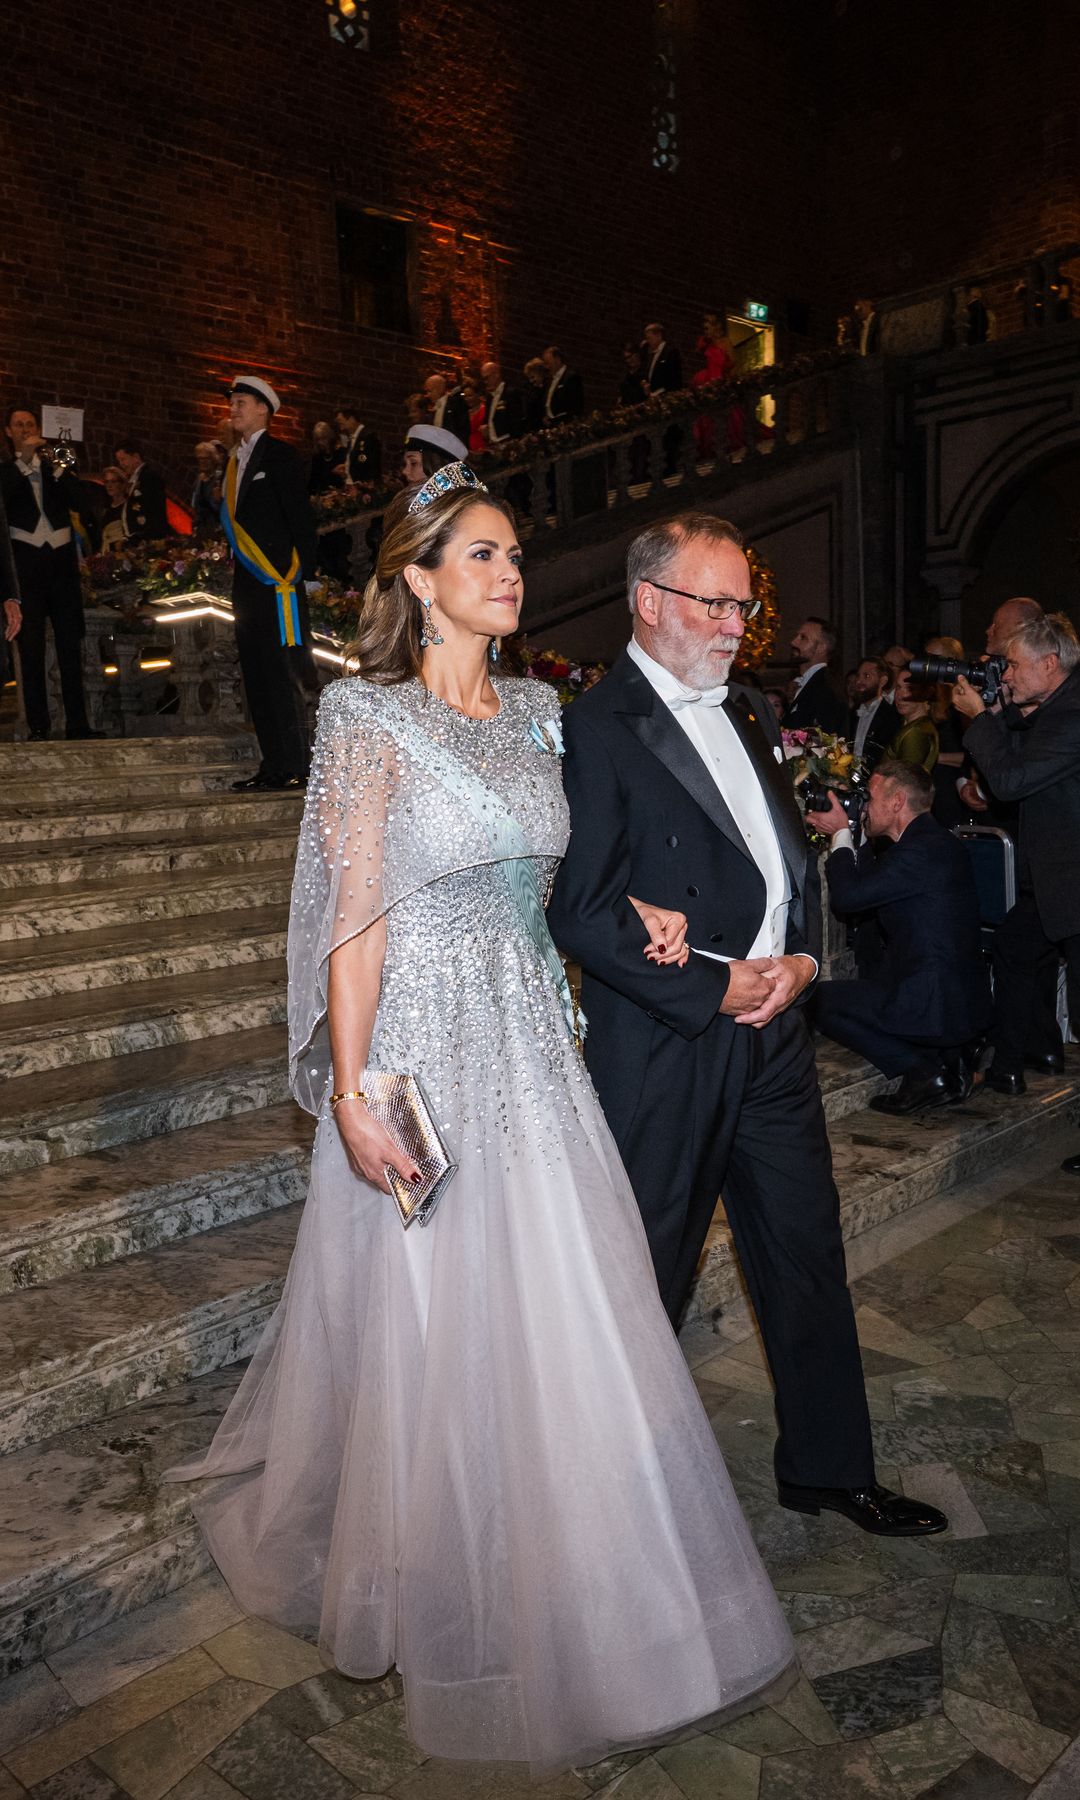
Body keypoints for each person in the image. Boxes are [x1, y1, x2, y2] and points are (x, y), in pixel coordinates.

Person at [167, 466, 798, 1775]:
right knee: (431, 1322)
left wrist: (645, 920)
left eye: (516, 554)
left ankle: (574, 1569)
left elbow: (567, 887)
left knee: (557, 1307)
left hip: (532, 1046)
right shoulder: (362, 716)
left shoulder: (535, 710)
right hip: (418, 1055)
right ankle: (438, 1575)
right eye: (483, 556)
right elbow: (354, 923)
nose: (511, 574)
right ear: (417, 578)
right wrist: (348, 1091)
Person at [546, 511, 946, 1540]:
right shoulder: (599, 724)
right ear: (650, 601)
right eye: (715, 602)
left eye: (743, 603)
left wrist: (806, 962)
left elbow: (790, 862)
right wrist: (711, 990)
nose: (736, 623)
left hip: (774, 1038)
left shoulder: (755, 712)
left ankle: (828, 1466)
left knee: (806, 1254)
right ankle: (604, 1510)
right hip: (672, 1045)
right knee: (646, 1279)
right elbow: (580, 908)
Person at [953, 613, 1080, 1142]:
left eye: (1013, 665)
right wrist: (997, 712)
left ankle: (1016, 1056)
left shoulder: (1073, 715)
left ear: (1049, 665)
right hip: (1053, 883)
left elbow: (1008, 780)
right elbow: (1020, 746)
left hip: (1072, 885)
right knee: (1013, 950)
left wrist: (981, 718)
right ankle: (1011, 1060)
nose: (1004, 674)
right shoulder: (1055, 708)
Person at [808, 761, 993, 1113]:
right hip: (954, 996)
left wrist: (840, 835)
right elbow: (870, 888)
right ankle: (948, 1060)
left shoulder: (919, 851)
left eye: (871, 798)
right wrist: (852, 834)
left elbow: (849, 898)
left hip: (934, 1002)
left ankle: (924, 1072)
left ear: (896, 802)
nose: (864, 806)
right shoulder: (930, 842)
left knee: (818, 1000)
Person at [221, 375, 319, 792]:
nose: (234, 408)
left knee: (283, 673)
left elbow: (300, 516)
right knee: (257, 674)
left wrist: (309, 574)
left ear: (264, 409)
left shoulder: (280, 455)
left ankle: (297, 762)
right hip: (248, 583)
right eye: (234, 402)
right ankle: (273, 765)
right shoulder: (234, 460)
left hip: (280, 582)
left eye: (242, 401)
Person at [1, 406, 99, 741]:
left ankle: (78, 723)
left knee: (70, 645)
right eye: (19, 425)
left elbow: (83, 504)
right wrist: (22, 462)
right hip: (26, 568)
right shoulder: (5, 472)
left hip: (61, 568)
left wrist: (56, 469)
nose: (26, 429)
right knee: (31, 649)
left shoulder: (56, 469)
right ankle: (39, 725)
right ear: (9, 432)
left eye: (30, 424)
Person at [785, 616, 848, 733]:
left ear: (821, 648)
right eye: (797, 636)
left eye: (803, 638)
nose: (793, 642)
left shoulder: (826, 687)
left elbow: (822, 739)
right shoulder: (810, 683)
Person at [850, 656, 900, 769]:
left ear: (883, 681)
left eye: (866, 676)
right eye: (858, 676)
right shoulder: (852, 713)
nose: (859, 681)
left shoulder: (891, 715)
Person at [885, 667, 939, 770]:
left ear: (924, 693)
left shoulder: (917, 731)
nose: (900, 695)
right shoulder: (911, 725)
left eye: (909, 688)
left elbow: (905, 779)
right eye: (898, 687)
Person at [114, 440, 169, 541]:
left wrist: (140, 536)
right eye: (119, 461)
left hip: (148, 540)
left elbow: (153, 511)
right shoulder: (135, 479)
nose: (121, 464)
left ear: (136, 457)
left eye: (123, 459)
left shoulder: (149, 477)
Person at [334, 405, 382, 487]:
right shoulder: (352, 437)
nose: (341, 428)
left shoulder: (368, 437)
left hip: (362, 489)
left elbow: (369, 464)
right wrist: (346, 467)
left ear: (352, 419)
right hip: (352, 486)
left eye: (342, 424)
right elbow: (358, 459)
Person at [480, 359, 524, 447]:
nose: (485, 382)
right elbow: (488, 419)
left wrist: (514, 443)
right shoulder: (490, 397)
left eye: (487, 378)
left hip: (508, 443)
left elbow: (516, 421)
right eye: (484, 379)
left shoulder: (510, 393)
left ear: (496, 374)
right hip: (493, 444)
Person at [422, 373, 470, 445]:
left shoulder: (455, 403)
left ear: (440, 389)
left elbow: (463, 428)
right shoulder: (434, 409)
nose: (427, 395)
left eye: (430, 391)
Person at [541, 344, 585, 422]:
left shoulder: (571, 377)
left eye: (548, 363)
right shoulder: (549, 380)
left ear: (557, 359)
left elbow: (575, 406)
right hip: (551, 425)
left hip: (564, 424)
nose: (547, 367)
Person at [192, 441, 226, 535]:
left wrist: (218, 500)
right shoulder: (199, 479)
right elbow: (195, 504)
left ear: (214, 459)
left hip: (216, 527)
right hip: (201, 527)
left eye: (206, 459)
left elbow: (219, 507)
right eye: (200, 459)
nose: (203, 462)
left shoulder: (218, 479)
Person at [641, 320, 683, 395]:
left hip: (666, 395)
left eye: (649, 338)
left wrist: (659, 392)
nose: (648, 341)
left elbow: (674, 378)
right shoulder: (651, 354)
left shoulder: (670, 352)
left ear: (659, 335)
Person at [98, 465, 129, 551]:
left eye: (113, 481)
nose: (109, 485)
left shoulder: (128, 506)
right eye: (107, 482)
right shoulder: (106, 508)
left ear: (122, 484)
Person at [522, 357, 548, 432]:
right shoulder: (530, 390)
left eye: (533, 377)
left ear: (540, 373)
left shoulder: (548, 387)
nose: (531, 381)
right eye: (529, 378)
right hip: (534, 429)